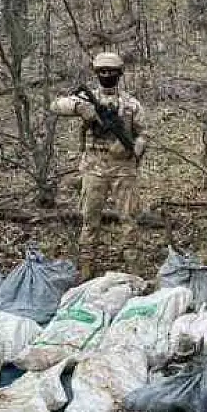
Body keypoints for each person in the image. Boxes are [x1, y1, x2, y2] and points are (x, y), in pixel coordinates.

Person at [50, 52, 148, 278]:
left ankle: (133, 269)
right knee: (89, 219)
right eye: (102, 72)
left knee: (129, 219)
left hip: (124, 169)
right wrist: (78, 108)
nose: (106, 75)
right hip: (94, 168)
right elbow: (55, 105)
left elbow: (144, 134)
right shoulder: (87, 99)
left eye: (111, 72)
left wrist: (132, 147)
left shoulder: (131, 104)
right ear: (96, 73)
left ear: (119, 74)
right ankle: (86, 268)